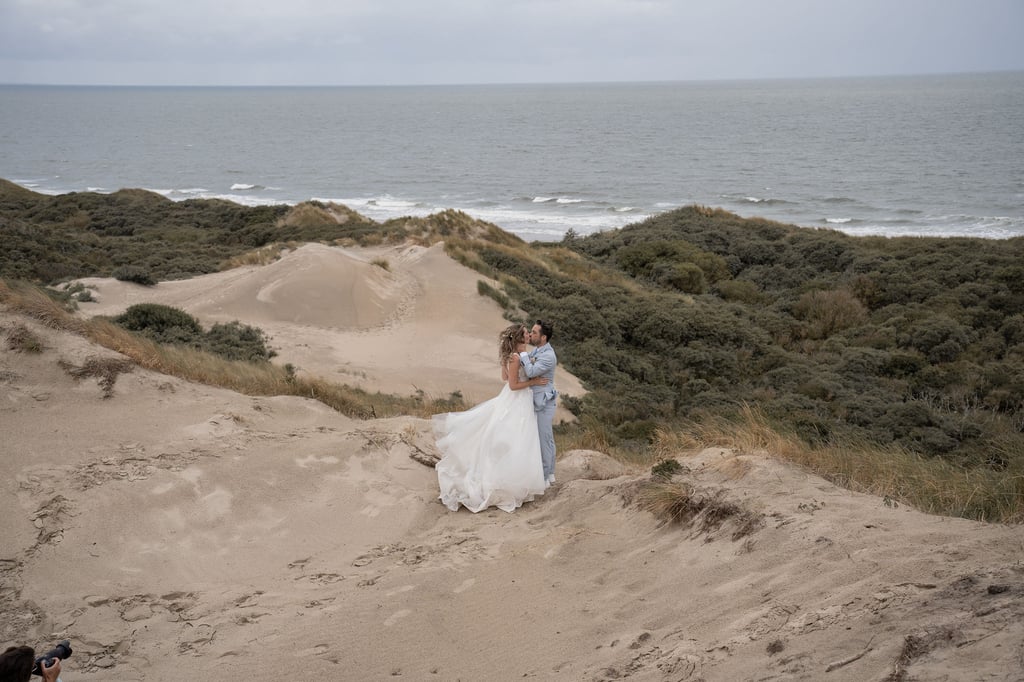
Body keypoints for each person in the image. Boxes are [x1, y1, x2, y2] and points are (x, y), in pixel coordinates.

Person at [433, 324, 549, 512]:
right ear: (520, 338)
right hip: (516, 400)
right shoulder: (516, 357)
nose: (529, 335)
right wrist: (533, 382)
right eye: (526, 333)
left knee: (518, 439)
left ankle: (515, 480)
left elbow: (504, 377)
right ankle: (506, 482)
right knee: (514, 438)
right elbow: (512, 385)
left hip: (517, 400)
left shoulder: (516, 356)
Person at [521, 319, 558, 484]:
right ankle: (549, 473)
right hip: (535, 399)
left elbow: (531, 371)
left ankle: (544, 477)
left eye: (534, 332)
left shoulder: (549, 356)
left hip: (544, 401)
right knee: (544, 437)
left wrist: (522, 356)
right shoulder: (537, 351)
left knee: (544, 439)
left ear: (543, 338)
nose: (530, 334)